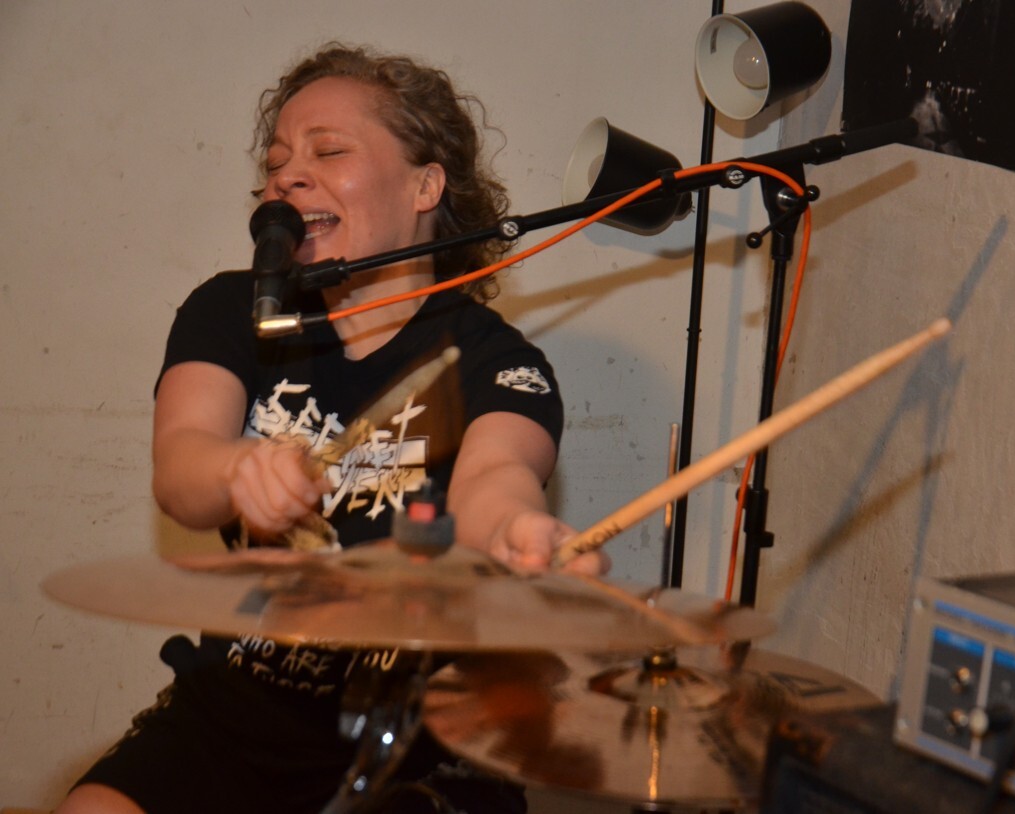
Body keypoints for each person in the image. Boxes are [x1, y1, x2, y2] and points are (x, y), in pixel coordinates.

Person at [55, 43, 608, 814]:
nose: (287, 176)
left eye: (328, 151)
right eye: (277, 161)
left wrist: (517, 530)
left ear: (425, 184)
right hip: (234, 718)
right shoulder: (233, 311)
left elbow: (494, 483)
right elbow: (182, 470)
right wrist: (232, 470)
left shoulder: (496, 360)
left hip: (423, 736)